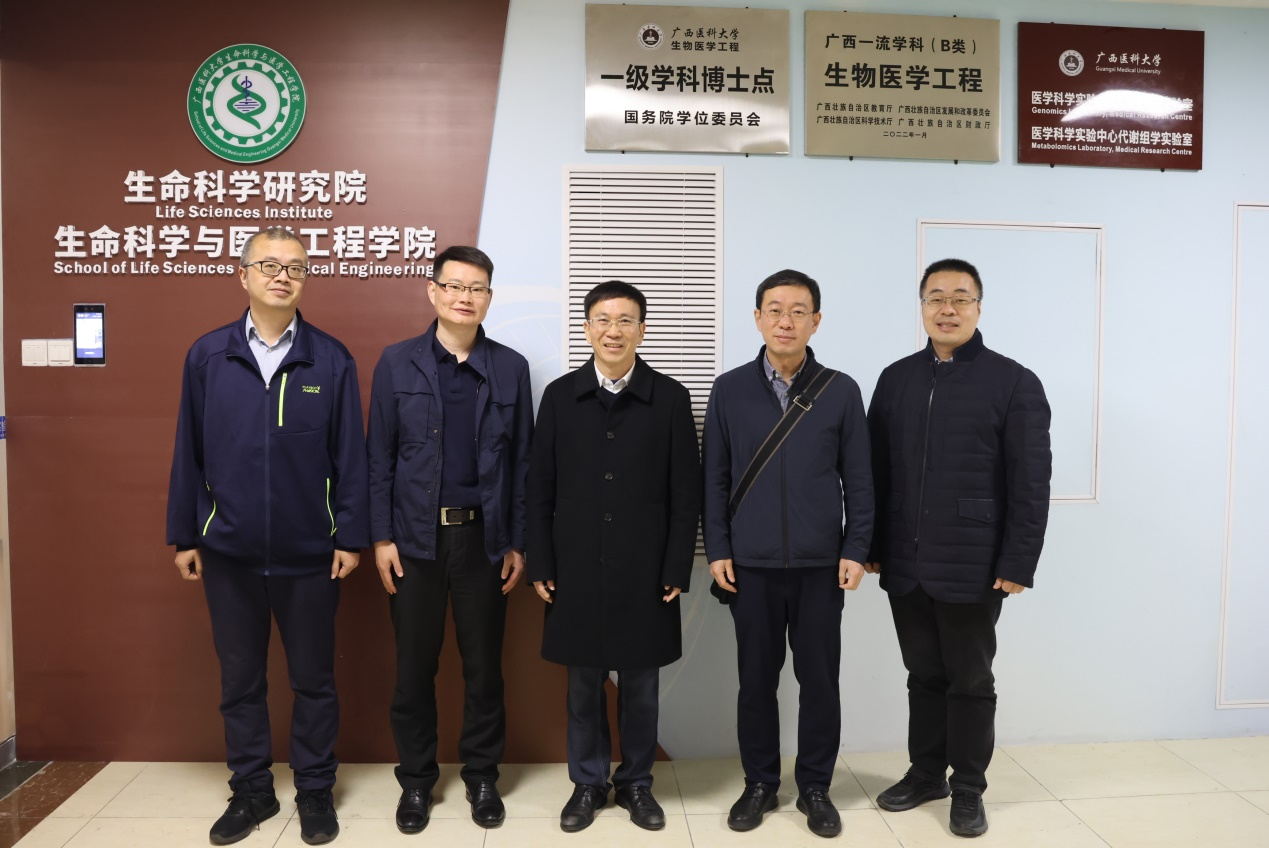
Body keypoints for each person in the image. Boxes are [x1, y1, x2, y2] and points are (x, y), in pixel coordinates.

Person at [167, 225, 368, 846]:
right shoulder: (208, 355)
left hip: (311, 555)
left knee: (314, 681)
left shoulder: (330, 358)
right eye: (270, 265)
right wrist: (185, 536)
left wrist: (349, 536)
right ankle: (252, 790)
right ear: (244, 275)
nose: (284, 276)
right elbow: (188, 452)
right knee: (241, 683)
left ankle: (314, 790)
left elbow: (350, 456)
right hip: (228, 552)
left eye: (296, 267)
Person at [865, 258, 1051, 838]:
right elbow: (875, 472)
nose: (947, 309)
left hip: (975, 563)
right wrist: (871, 543)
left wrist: (1018, 560)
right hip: (905, 561)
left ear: (978, 307)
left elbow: (1031, 482)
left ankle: (968, 787)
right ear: (922, 305)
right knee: (923, 675)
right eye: (936, 298)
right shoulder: (896, 379)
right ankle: (926, 774)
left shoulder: (1014, 381)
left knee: (970, 680)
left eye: (960, 298)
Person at [366, 245, 533, 834]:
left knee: (484, 668)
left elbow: (523, 463)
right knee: (414, 668)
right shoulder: (397, 363)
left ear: (489, 298)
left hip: (485, 542)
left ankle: (482, 776)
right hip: (414, 543)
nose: (466, 297)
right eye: (455, 286)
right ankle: (416, 781)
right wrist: (380, 538)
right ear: (433, 291)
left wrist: (516, 542)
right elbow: (379, 457)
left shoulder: (511, 367)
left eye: (477, 288)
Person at [702, 270, 874, 839]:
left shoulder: (840, 390)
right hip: (749, 566)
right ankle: (759, 783)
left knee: (819, 682)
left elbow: (860, 479)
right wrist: (718, 548)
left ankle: (816, 787)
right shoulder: (728, 389)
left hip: (820, 566)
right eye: (774, 309)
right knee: (755, 682)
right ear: (757, 318)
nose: (785, 320)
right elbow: (714, 478)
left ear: (815, 321)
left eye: (799, 311)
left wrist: (856, 548)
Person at [526, 281, 701, 833]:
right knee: (583, 686)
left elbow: (686, 492)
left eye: (626, 321)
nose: (614, 331)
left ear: (642, 330)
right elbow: (539, 486)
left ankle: (637, 783)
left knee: (641, 687)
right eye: (603, 320)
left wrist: (676, 565)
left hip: (645, 569)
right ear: (587, 328)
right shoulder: (561, 396)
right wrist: (541, 562)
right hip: (575, 565)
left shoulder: (669, 398)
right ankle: (588, 783)